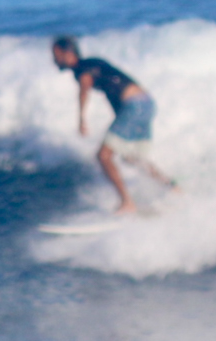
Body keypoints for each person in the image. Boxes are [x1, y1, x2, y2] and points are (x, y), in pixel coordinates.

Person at [51, 37, 174, 214]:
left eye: (56, 55)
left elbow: (84, 87)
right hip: (146, 104)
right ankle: (173, 188)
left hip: (134, 106)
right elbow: (114, 89)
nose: (54, 60)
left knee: (104, 156)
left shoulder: (82, 69)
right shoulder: (93, 63)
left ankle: (127, 203)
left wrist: (81, 119)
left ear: (67, 53)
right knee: (133, 158)